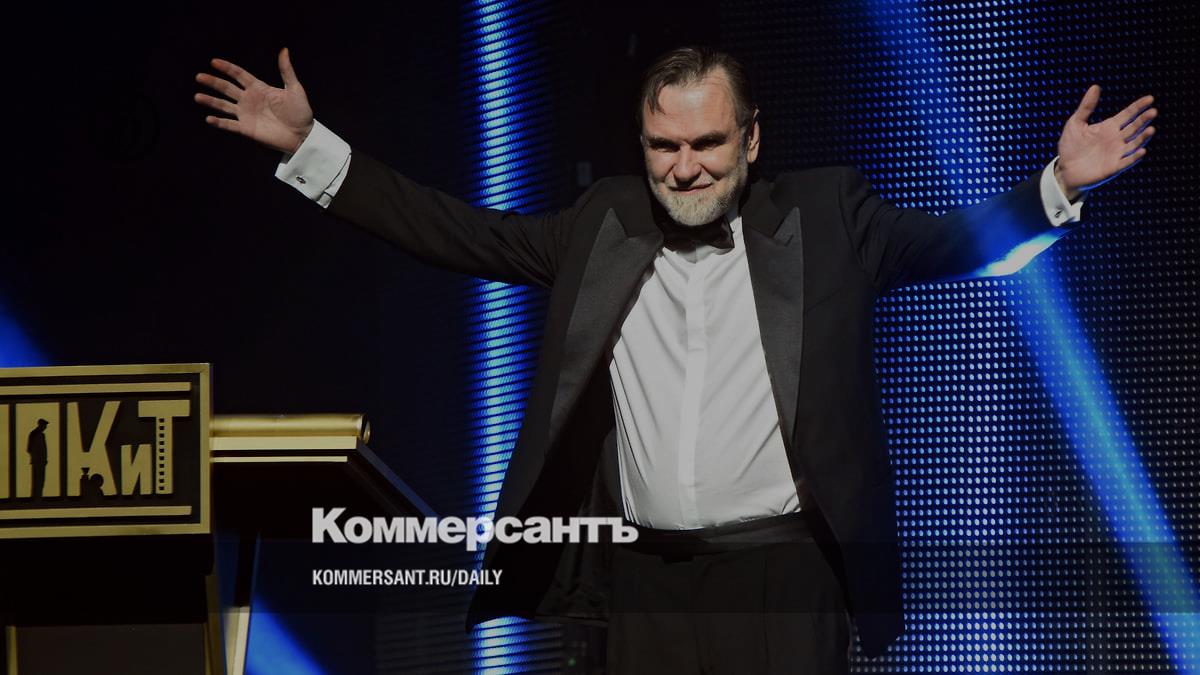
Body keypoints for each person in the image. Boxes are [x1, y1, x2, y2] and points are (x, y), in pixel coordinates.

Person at [195, 45, 1156, 672]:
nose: (684, 167)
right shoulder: (602, 222)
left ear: (751, 139)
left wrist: (1055, 186)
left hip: (787, 575)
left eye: (706, 143)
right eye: (663, 146)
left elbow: (954, 245)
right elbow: (457, 233)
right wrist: (313, 149)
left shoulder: (828, 216)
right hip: (644, 581)